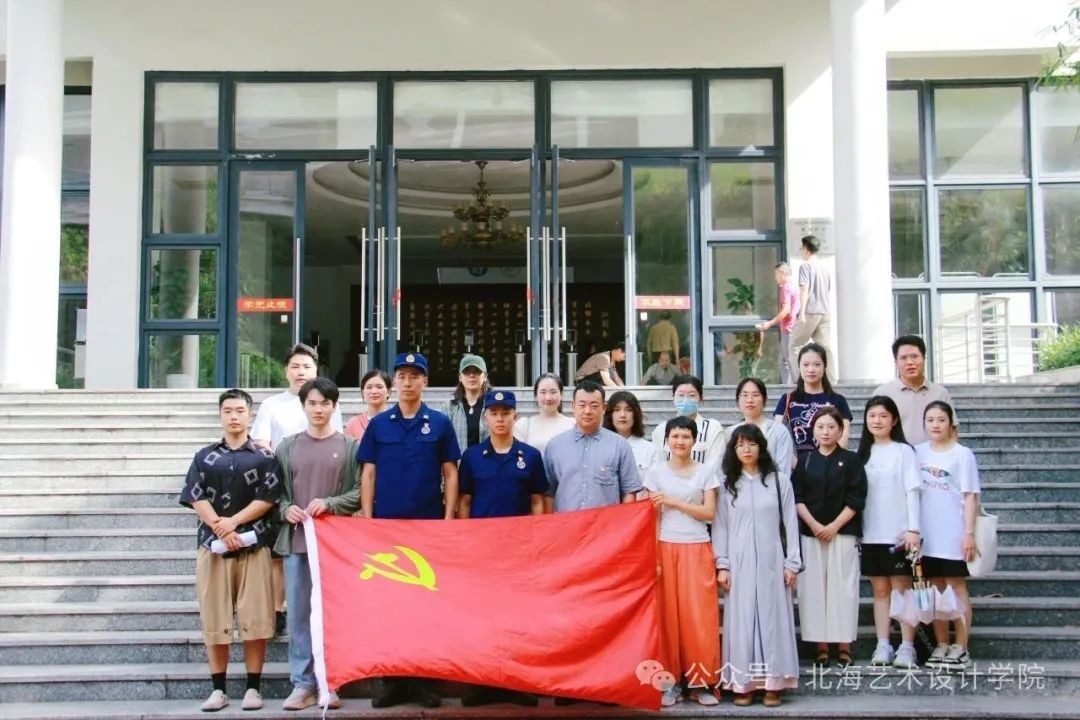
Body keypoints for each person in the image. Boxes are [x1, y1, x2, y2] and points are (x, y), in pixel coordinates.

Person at [358, 352, 460, 708]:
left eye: (415, 376)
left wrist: (448, 519)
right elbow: (368, 473)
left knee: (426, 607)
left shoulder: (440, 423)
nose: (407, 382)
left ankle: (423, 680)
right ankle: (392, 681)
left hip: (427, 527)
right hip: (387, 530)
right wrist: (368, 520)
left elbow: (450, 473)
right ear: (394, 383)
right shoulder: (379, 425)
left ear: (425, 382)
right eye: (401, 376)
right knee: (389, 606)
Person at [180, 389, 282, 713]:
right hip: (212, 547)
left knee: (255, 618)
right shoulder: (204, 456)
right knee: (215, 617)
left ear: (250, 415)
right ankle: (218, 690)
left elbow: (268, 498)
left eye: (240, 410)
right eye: (228, 411)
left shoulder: (265, 457)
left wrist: (233, 523)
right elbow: (195, 495)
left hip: (254, 545)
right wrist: (220, 527)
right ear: (220, 415)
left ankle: (253, 688)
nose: (234, 416)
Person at [272, 378, 359, 711]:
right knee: (298, 615)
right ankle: (303, 683)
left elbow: (359, 492)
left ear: (335, 407)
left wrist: (331, 503)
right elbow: (276, 493)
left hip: (336, 547)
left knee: (333, 615)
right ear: (303, 406)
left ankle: (330, 682)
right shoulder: (287, 447)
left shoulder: (350, 446)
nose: (318, 409)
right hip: (297, 543)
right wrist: (285, 508)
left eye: (325, 403)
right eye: (312, 403)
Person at [457, 389, 545, 708]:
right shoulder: (472, 457)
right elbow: (464, 501)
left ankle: (516, 681)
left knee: (517, 617)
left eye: (505, 413)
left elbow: (538, 500)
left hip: (518, 551)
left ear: (515, 417)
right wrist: (465, 539)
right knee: (481, 617)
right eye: (493, 413)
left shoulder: (530, 456)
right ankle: (482, 683)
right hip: (482, 551)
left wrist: (537, 539)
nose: (500, 419)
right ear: (485, 418)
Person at [251, 343, 343, 635]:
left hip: (319, 486)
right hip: (282, 485)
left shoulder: (328, 402)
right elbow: (261, 443)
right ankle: (278, 610)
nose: (301, 371)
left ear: (316, 370)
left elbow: (338, 443)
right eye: (295, 366)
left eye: (306, 366)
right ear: (286, 371)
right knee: (280, 554)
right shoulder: (272, 405)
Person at [714, 424, 801, 707]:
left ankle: (773, 684)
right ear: (733, 450)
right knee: (741, 621)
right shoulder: (727, 484)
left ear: (761, 447)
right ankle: (744, 684)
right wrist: (722, 564)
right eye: (740, 444)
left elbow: (790, 522)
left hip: (772, 559)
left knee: (772, 619)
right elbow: (720, 526)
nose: (746, 449)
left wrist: (792, 562)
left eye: (751, 443)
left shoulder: (779, 481)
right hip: (738, 561)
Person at [645, 416, 720, 707]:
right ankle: (670, 683)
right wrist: (653, 555)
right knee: (667, 619)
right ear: (666, 440)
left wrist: (674, 501)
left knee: (698, 618)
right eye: (675, 436)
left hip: (697, 546)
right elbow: (653, 518)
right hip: (665, 545)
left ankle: (700, 683)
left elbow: (709, 513)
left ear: (694, 441)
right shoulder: (655, 473)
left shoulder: (706, 472)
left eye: (686, 436)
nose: (680, 441)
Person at [792, 406, 867, 668]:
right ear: (813, 430)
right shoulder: (805, 461)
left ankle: (844, 645)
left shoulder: (851, 460)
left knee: (843, 588)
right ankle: (821, 646)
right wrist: (814, 525)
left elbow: (857, 497)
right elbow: (797, 496)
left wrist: (833, 526)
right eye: (820, 427)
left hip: (843, 533)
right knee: (813, 589)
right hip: (810, 534)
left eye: (831, 427)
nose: (825, 432)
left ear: (840, 430)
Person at [856, 396, 922, 669]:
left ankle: (907, 646)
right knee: (880, 590)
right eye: (872, 415)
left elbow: (913, 491)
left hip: (900, 536)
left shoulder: (904, 451)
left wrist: (914, 529)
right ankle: (883, 644)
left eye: (883, 415)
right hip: (871, 534)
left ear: (894, 420)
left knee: (902, 590)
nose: (877, 421)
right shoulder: (862, 454)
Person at [916, 401, 979, 671]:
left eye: (941, 420)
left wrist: (969, 533)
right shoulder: (917, 452)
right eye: (930, 420)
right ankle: (942, 644)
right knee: (935, 590)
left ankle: (961, 647)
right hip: (926, 536)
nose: (935, 425)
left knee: (956, 587)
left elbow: (970, 496)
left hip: (954, 533)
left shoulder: (962, 454)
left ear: (950, 423)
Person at [543, 380, 643, 513]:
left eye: (594, 406)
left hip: (606, 524)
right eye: (582, 405)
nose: (587, 411)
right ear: (573, 406)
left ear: (604, 408)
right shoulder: (555, 446)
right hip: (567, 524)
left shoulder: (619, 445)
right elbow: (548, 493)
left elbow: (629, 492)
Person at [774, 343, 852, 457]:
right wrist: (796, 464)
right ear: (799, 367)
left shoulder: (838, 400)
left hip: (831, 464)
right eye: (805, 365)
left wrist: (828, 463)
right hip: (796, 465)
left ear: (825, 367)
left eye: (817, 364)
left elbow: (843, 439)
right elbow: (779, 436)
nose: (811, 369)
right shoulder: (787, 400)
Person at [874, 335, 954, 445]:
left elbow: (951, 431)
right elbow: (875, 433)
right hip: (897, 455)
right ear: (896, 363)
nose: (910, 362)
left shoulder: (940, 393)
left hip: (933, 454)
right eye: (903, 358)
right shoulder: (883, 393)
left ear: (924, 359)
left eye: (915, 356)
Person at [650, 375, 725, 471]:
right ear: (673, 397)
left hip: (704, 480)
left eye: (692, 395)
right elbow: (658, 466)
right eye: (681, 395)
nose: (686, 400)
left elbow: (715, 466)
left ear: (701, 398)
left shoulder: (712, 428)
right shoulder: (661, 430)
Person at [788, 235, 834, 383]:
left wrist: (801, 312)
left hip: (810, 311)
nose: (801, 251)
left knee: (795, 345)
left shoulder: (805, 266)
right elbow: (827, 290)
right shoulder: (825, 269)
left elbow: (804, 289)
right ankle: (831, 381)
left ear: (807, 250)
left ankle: (802, 381)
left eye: (802, 248)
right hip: (824, 312)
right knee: (825, 348)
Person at [729, 377, 796, 479]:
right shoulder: (729, 433)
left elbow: (783, 472)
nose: (750, 400)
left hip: (772, 487)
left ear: (765, 400)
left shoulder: (779, 431)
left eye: (755, 395)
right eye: (745, 395)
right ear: (738, 400)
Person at [755, 262, 800, 384]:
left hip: (789, 328)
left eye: (776, 274)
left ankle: (791, 388)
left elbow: (786, 310)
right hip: (796, 328)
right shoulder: (795, 287)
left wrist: (770, 323)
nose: (775, 277)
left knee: (787, 361)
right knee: (786, 360)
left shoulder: (786, 288)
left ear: (782, 273)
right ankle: (791, 387)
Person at [513, 373, 575, 453]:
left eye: (553, 392)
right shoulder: (524, 426)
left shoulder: (573, 425)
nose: (548, 398)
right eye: (543, 392)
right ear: (536, 396)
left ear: (561, 395)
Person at [444, 353, 491, 454]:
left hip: (487, 462)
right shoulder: (449, 408)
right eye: (466, 371)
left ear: (485, 376)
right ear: (460, 377)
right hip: (458, 463)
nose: (471, 375)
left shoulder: (493, 407)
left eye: (477, 371)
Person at [603, 390, 656, 474]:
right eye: (617, 410)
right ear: (610, 415)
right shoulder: (600, 447)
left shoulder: (650, 450)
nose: (622, 415)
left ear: (635, 414)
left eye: (628, 410)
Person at [344, 369, 392, 442]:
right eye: (369, 387)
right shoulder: (353, 423)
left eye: (379, 387)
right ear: (363, 392)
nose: (374, 391)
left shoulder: (396, 422)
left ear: (388, 392)